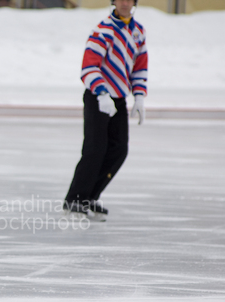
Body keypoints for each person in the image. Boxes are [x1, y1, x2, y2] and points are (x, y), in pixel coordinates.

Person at [63, 0, 148, 221]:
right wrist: (101, 92)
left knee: (119, 150)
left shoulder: (138, 31)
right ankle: (75, 199)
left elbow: (140, 66)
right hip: (98, 97)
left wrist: (139, 95)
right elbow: (88, 67)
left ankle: (90, 197)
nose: (125, 3)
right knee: (95, 148)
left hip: (118, 99)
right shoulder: (103, 30)